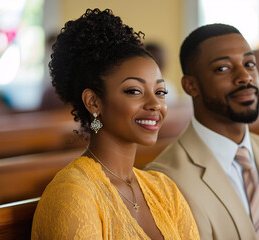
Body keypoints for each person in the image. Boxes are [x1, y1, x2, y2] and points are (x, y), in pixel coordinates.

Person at [145, 23, 259, 239]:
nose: (245, 77)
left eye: (250, 63)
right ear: (191, 86)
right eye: (223, 68)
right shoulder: (165, 182)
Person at [31, 9, 199, 239]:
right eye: (134, 91)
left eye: (160, 92)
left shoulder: (164, 190)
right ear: (93, 102)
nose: (155, 104)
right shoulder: (72, 194)